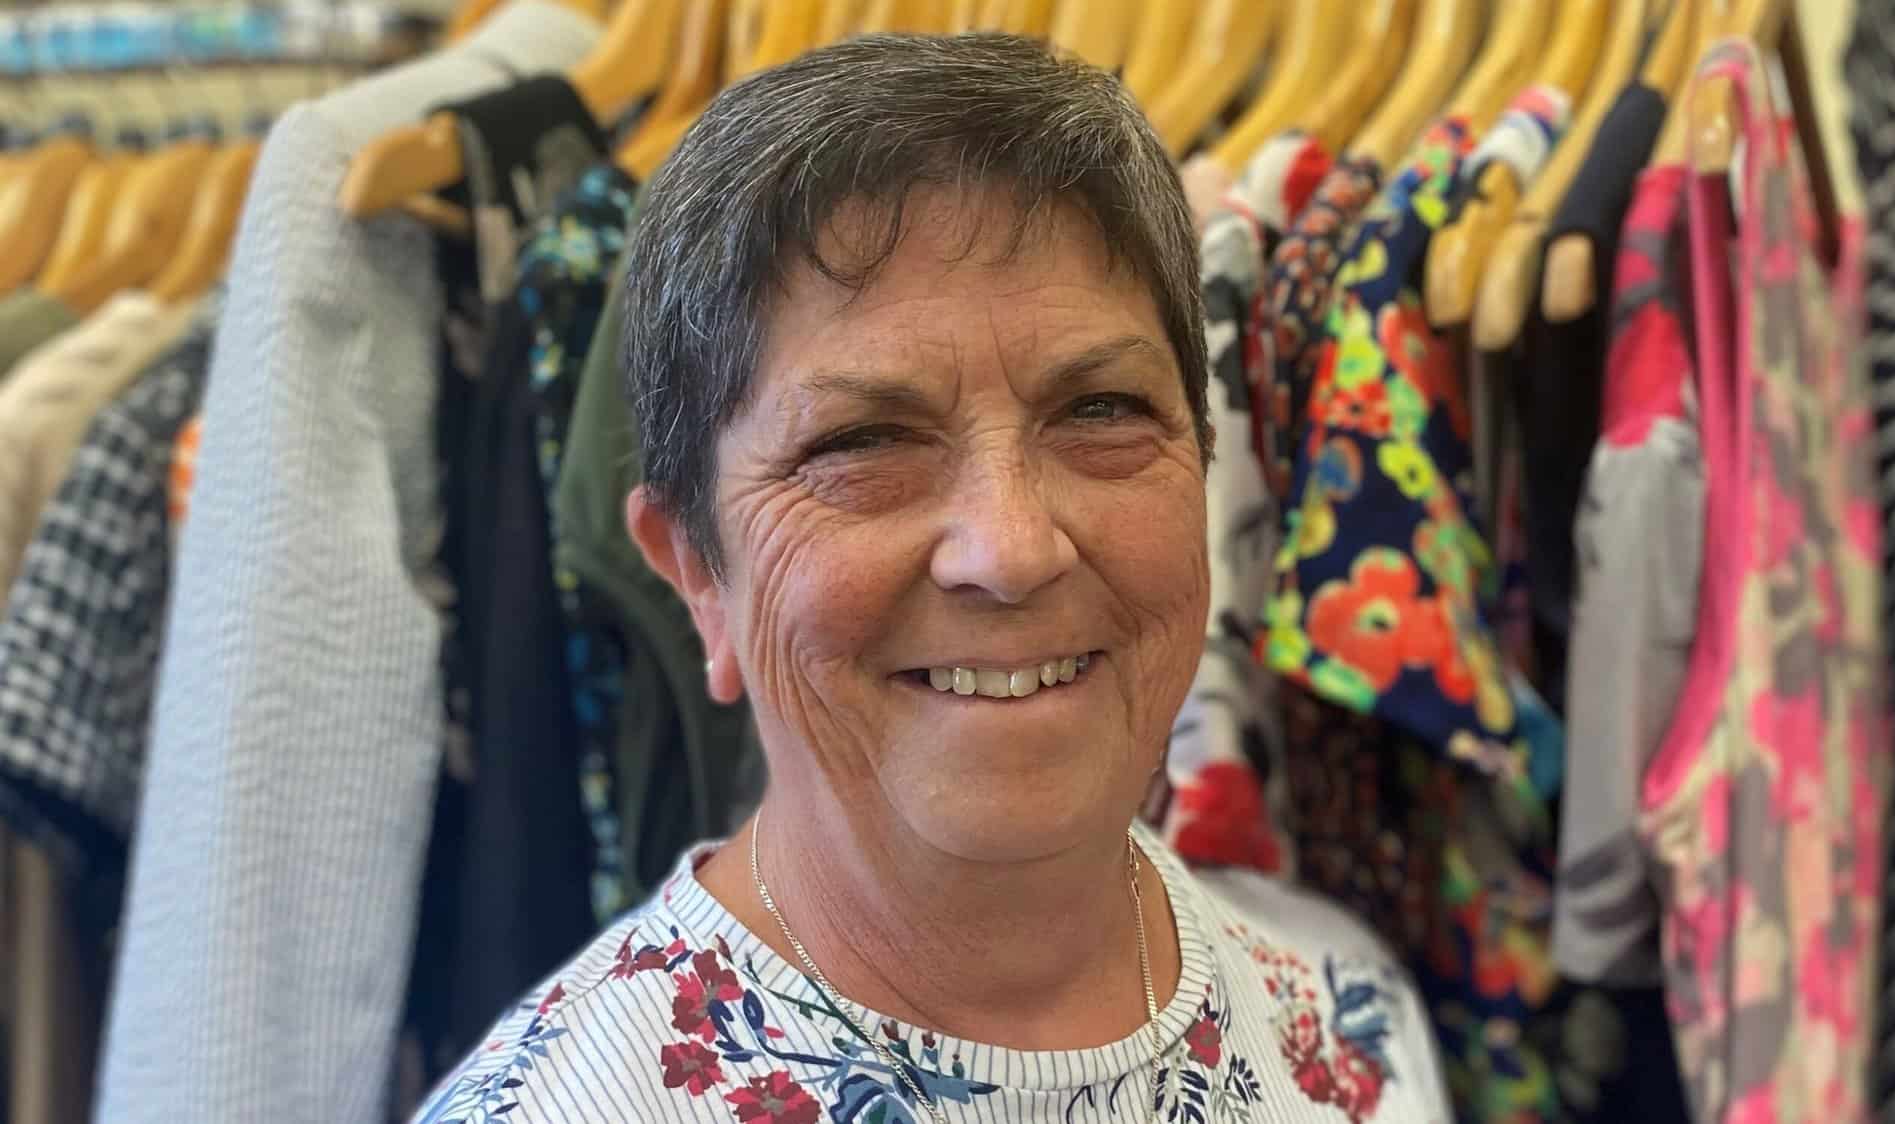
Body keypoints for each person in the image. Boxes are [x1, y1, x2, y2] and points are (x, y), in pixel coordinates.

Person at [415, 32, 1449, 1124]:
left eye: (1100, 410)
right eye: (861, 442)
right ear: (696, 573)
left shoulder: (1348, 1026)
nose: (1010, 548)